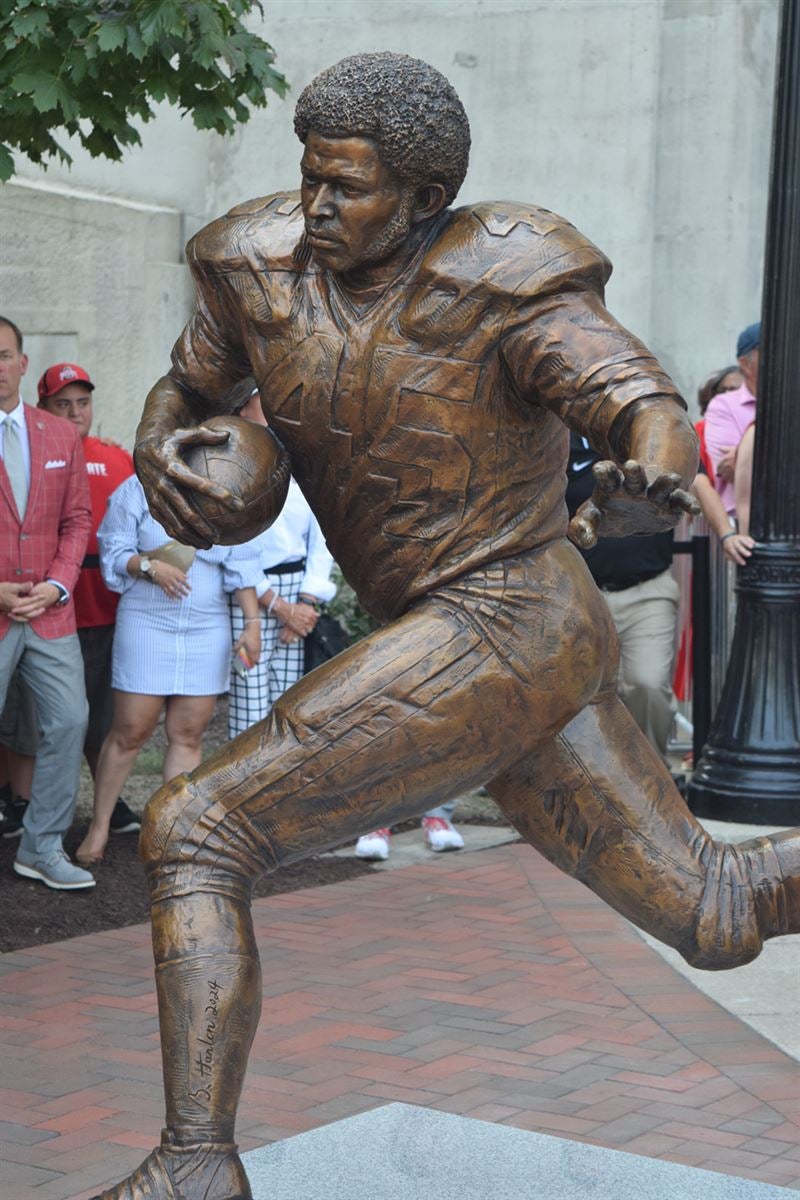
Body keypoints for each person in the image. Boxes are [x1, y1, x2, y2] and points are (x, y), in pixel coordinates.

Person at [96, 55, 799, 1200]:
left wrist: (656, 466)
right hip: (477, 639)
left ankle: (193, 1165)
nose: (318, 206)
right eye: (311, 179)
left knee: (195, 830)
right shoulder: (254, 263)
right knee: (711, 910)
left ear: (424, 200)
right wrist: (166, 450)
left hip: (506, 614)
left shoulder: (500, 277)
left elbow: (637, 399)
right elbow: (189, 387)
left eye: (350, 188)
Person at [73, 475, 263, 865]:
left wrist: (252, 624)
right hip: (146, 620)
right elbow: (113, 549)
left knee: (188, 734)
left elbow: (242, 565)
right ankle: (100, 825)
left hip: (206, 626)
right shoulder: (138, 488)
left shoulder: (222, 489)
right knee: (130, 731)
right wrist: (148, 565)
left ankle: (173, 831)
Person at [0, 316, 93, 890]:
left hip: (50, 609)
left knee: (70, 720)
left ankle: (41, 847)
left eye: (4, 355)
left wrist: (58, 584)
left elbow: (77, 520)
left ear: (22, 363)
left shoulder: (60, 435)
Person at [36, 362, 141, 834]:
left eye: (82, 402)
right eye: (63, 403)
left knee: (104, 716)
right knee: (40, 719)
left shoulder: (117, 458)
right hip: (48, 611)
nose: (76, 412)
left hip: (108, 609)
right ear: (43, 408)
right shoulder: (27, 454)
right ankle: (20, 803)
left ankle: (108, 803)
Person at [227, 390, 337, 737]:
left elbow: (322, 536)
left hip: (297, 595)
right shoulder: (232, 463)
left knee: (288, 704)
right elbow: (234, 545)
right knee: (249, 701)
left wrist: (303, 605)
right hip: (250, 596)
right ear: (243, 406)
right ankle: (242, 787)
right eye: (261, 395)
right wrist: (276, 606)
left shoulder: (297, 460)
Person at [704, 323, 759, 516]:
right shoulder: (723, 406)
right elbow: (733, 470)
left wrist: (744, 455)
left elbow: (746, 466)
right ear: (745, 363)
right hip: (741, 525)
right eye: (768, 350)